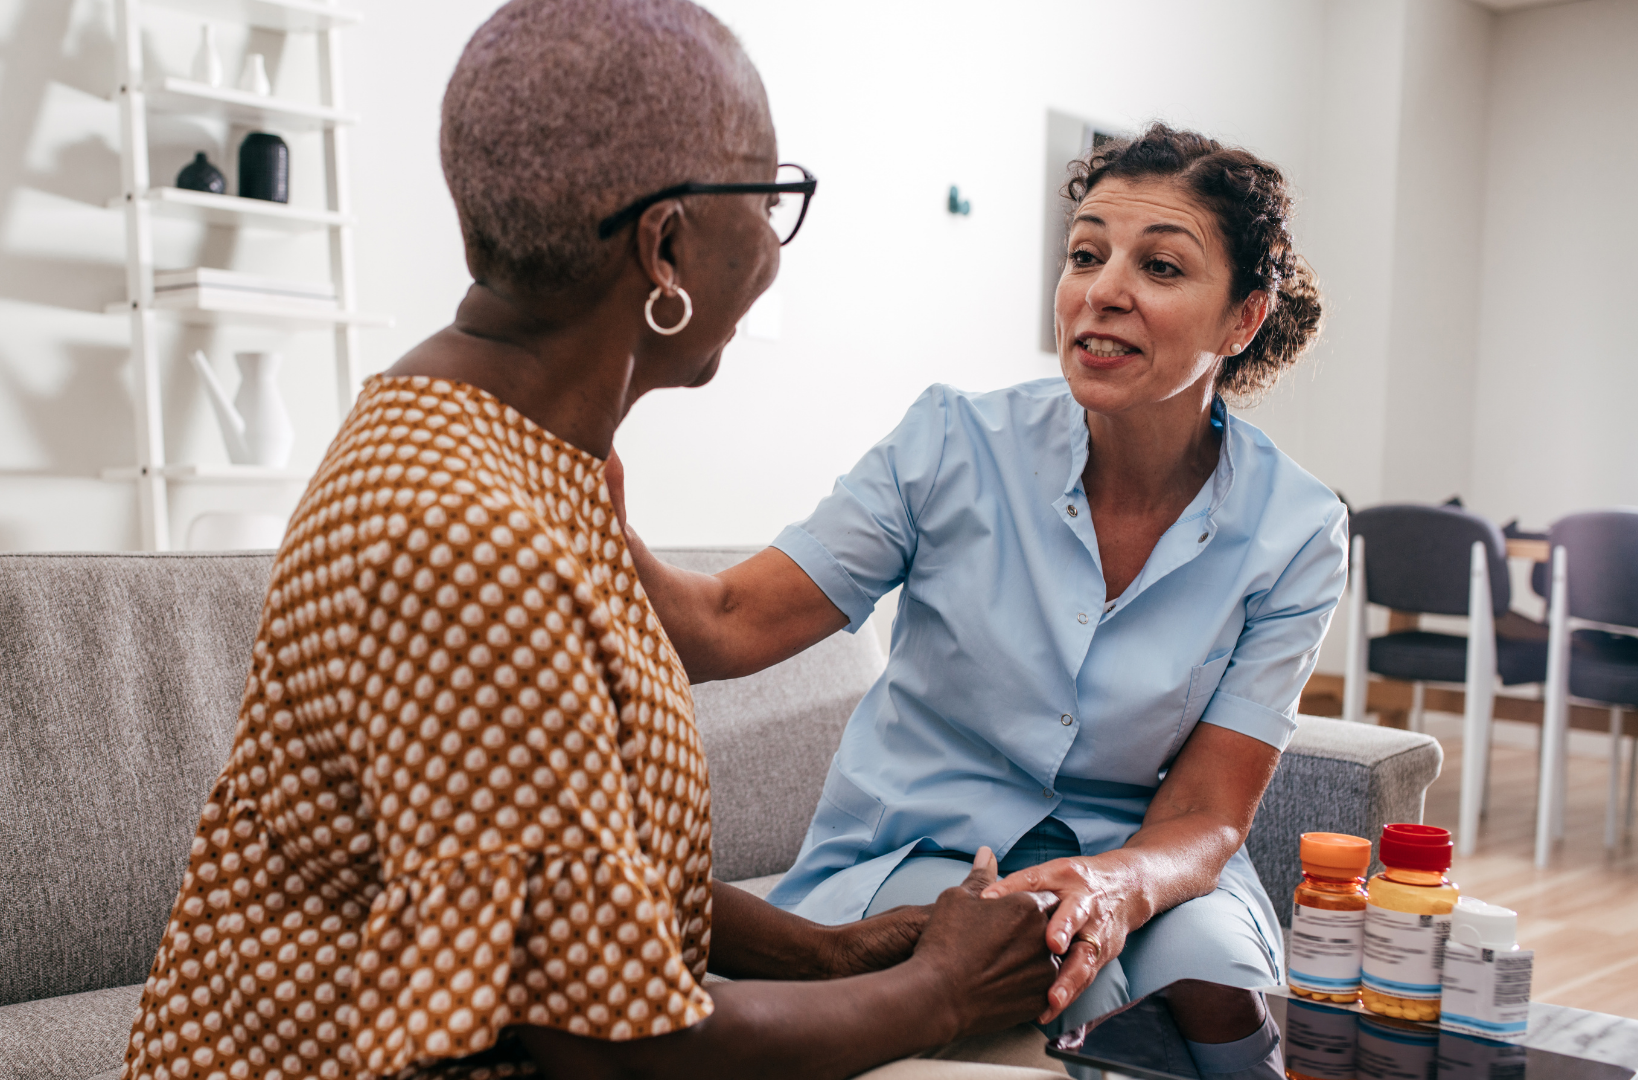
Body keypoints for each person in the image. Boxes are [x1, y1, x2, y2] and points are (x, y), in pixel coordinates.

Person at [117, 3, 1062, 1080]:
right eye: (770, 199)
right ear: (665, 247)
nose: (773, 250)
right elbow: (616, 1054)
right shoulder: (470, 543)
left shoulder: (509, 448)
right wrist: (938, 992)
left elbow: (552, 858)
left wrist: (827, 953)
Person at [623, 123, 1344, 1052]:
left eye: (1161, 268)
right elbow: (724, 624)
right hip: (922, 851)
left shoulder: (1297, 531)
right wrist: (581, 480)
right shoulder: (951, 445)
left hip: (1142, 859)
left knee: (1225, 1007)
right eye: (1086, 255)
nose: (1104, 291)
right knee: (1071, 998)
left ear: (1242, 320)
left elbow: (1207, 810)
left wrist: (1117, 886)